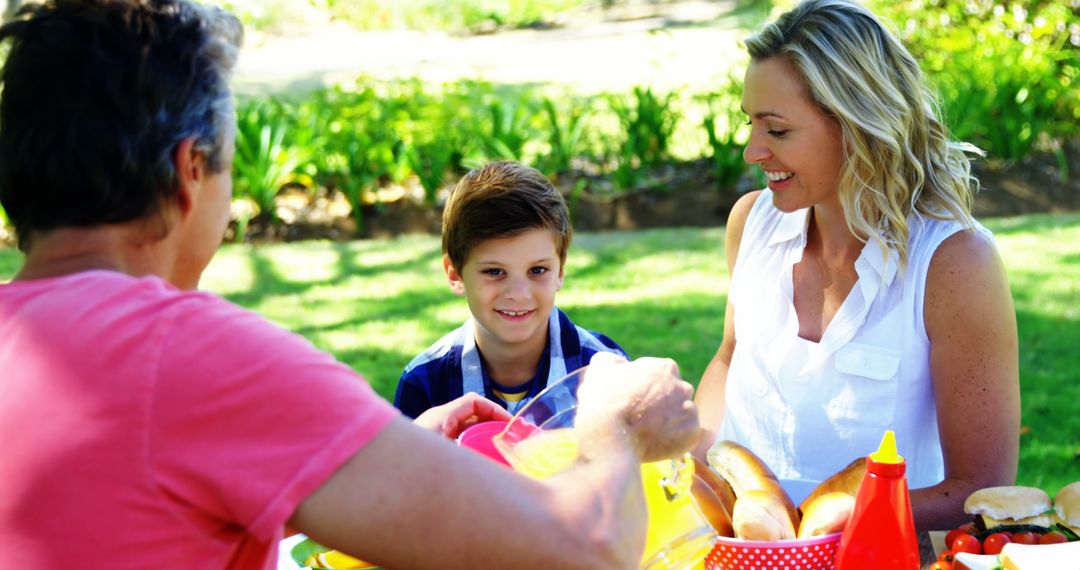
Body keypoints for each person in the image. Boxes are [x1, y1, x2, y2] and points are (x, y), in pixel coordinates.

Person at [0, 2, 701, 569]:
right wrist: (617, 423)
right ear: (191, 171)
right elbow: (581, 551)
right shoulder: (197, 356)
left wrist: (396, 451)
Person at [692, 0, 1020, 531]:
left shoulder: (954, 264)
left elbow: (980, 490)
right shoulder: (750, 222)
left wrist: (832, 524)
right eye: (751, 124)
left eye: (776, 130)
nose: (752, 151)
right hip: (738, 552)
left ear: (857, 125)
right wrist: (691, 467)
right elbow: (730, 360)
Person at [394, 161, 628, 418]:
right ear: (455, 273)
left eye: (537, 270)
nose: (519, 293)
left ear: (560, 271)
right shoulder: (424, 385)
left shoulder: (604, 370)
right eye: (494, 272)